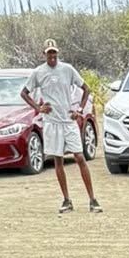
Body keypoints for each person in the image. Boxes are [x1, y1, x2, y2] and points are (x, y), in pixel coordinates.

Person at [22, 39, 101, 215]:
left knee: (79, 157)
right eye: (49, 53)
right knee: (58, 160)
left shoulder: (67, 69)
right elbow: (24, 93)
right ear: (44, 54)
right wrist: (38, 108)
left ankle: (92, 199)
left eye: (54, 52)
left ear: (57, 53)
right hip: (51, 122)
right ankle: (66, 200)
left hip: (68, 120)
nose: (52, 56)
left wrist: (79, 110)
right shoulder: (38, 72)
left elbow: (86, 89)